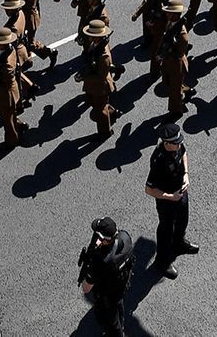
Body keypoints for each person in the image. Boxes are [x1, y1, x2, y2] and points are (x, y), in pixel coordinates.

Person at [145, 122, 198, 279]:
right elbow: (149, 189)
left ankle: (179, 243)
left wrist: (186, 174)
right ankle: (162, 261)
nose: (179, 143)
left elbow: (184, 153)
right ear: (166, 143)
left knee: (183, 221)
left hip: (180, 192)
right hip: (167, 200)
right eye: (176, 142)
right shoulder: (158, 160)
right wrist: (170, 197)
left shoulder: (177, 145)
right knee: (166, 231)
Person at [78, 216, 135, 337]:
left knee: (111, 323)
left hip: (107, 295)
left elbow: (86, 288)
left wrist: (88, 272)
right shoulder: (125, 237)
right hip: (122, 283)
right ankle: (121, 322)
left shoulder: (101, 262)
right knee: (118, 303)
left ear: (104, 239)